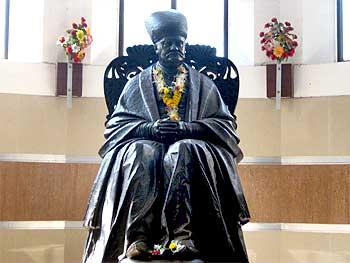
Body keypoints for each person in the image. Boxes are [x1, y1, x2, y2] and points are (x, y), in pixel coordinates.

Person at [82, 9, 250, 263]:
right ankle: (137, 238)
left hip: (194, 147)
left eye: (179, 43)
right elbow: (116, 125)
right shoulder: (136, 83)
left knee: (182, 150)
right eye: (168, 43)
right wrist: (148, 129)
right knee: (141, 152)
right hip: (145, 145)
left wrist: (188, 128)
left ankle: (184, 236)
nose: (174, 47)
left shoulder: (204, 84)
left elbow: (224, 124)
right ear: (156, 47)